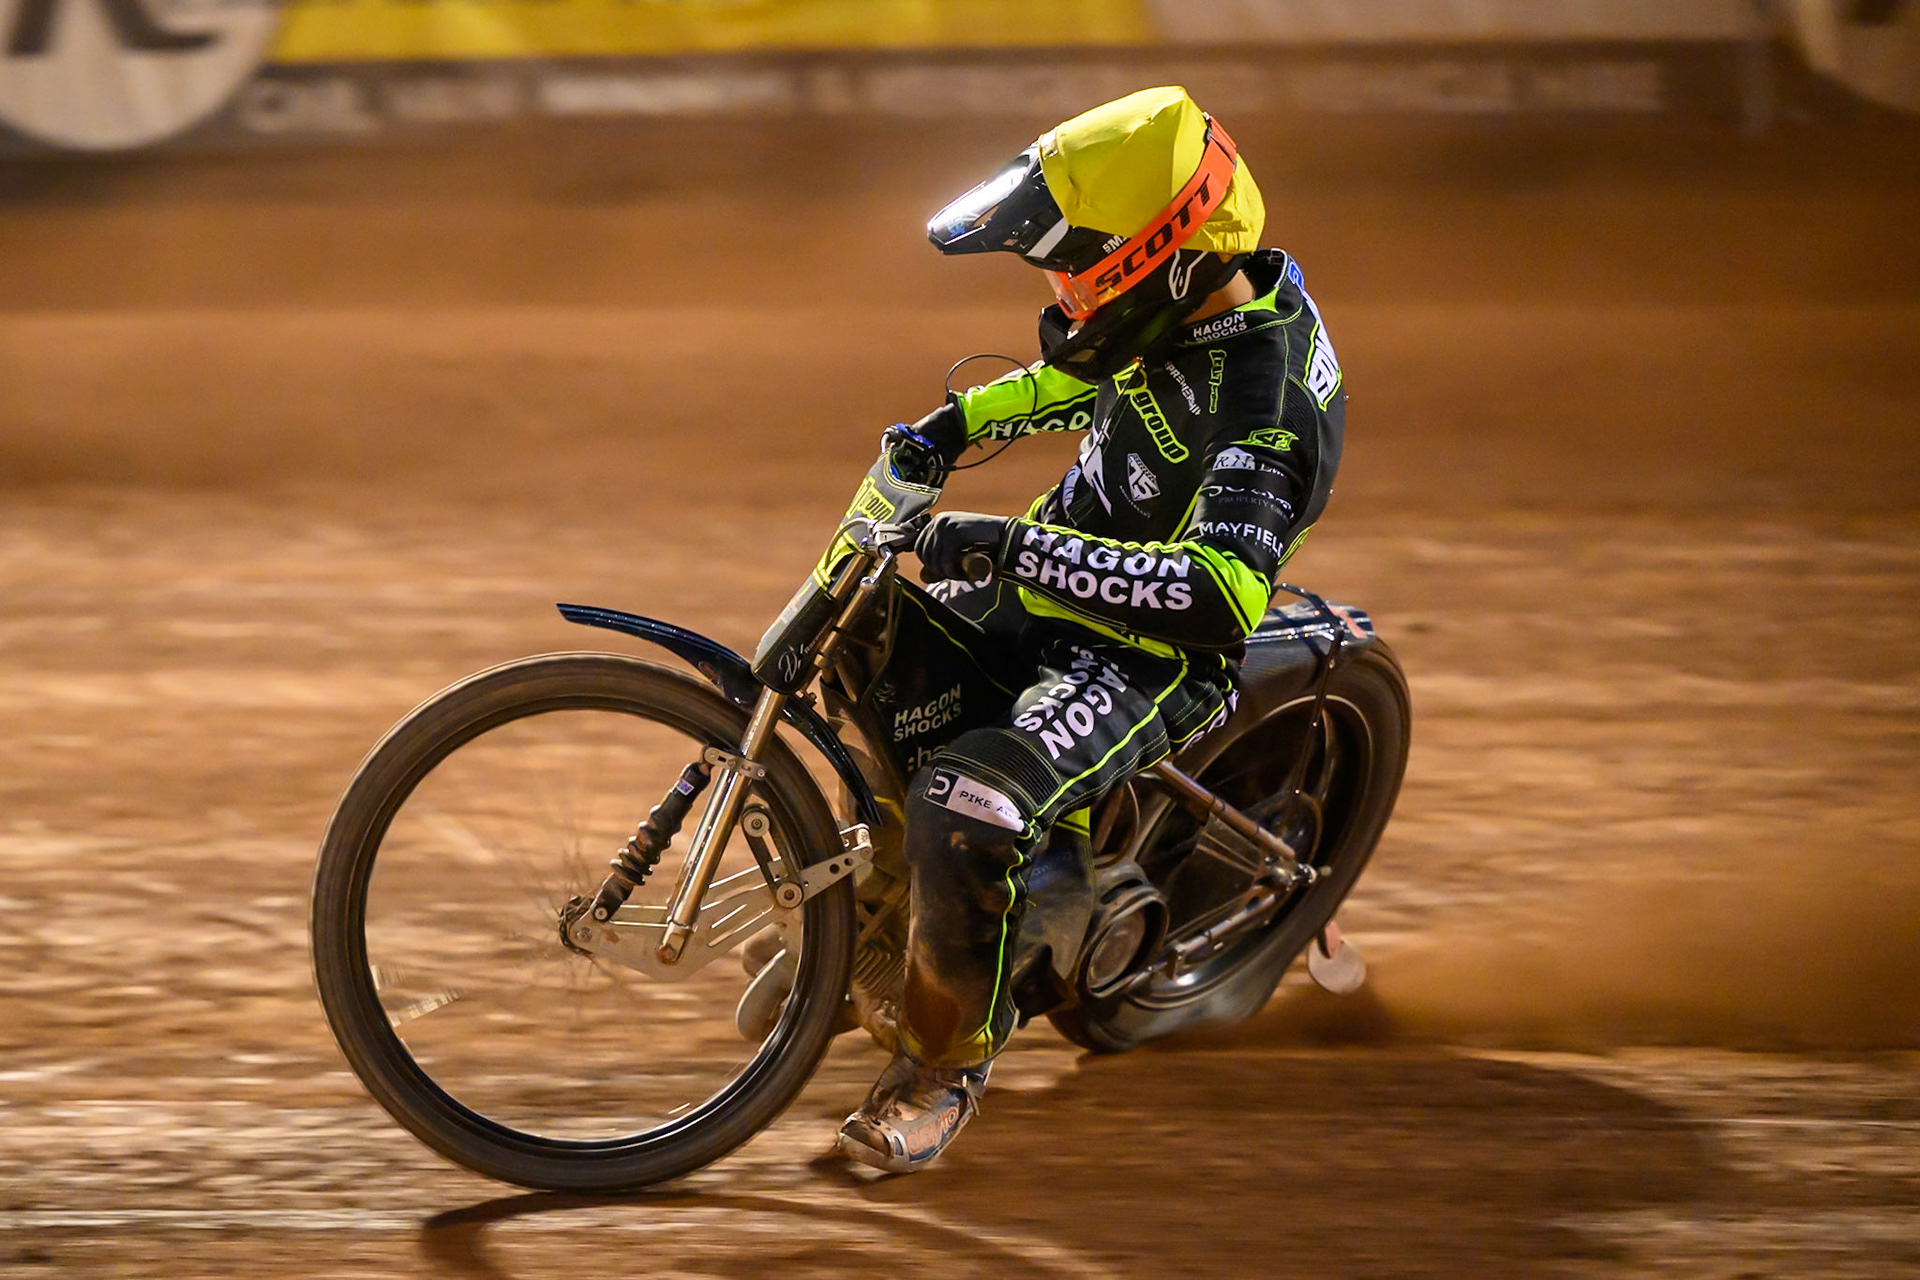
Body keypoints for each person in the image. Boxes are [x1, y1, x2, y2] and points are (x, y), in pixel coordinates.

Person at [834, 85, 1346, 1173]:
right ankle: (881, 924)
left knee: (964, 797)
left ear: (1168, 261)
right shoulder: (1194, 302)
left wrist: (1013, 549)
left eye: (1082, 274)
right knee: (862, 643)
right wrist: (954, 425)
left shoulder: (1266, 401)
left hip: (1151, 654)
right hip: (1054, 581)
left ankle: (942, 1067)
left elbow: (1216, 595)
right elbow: (1091, 388)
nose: (1066, 297)